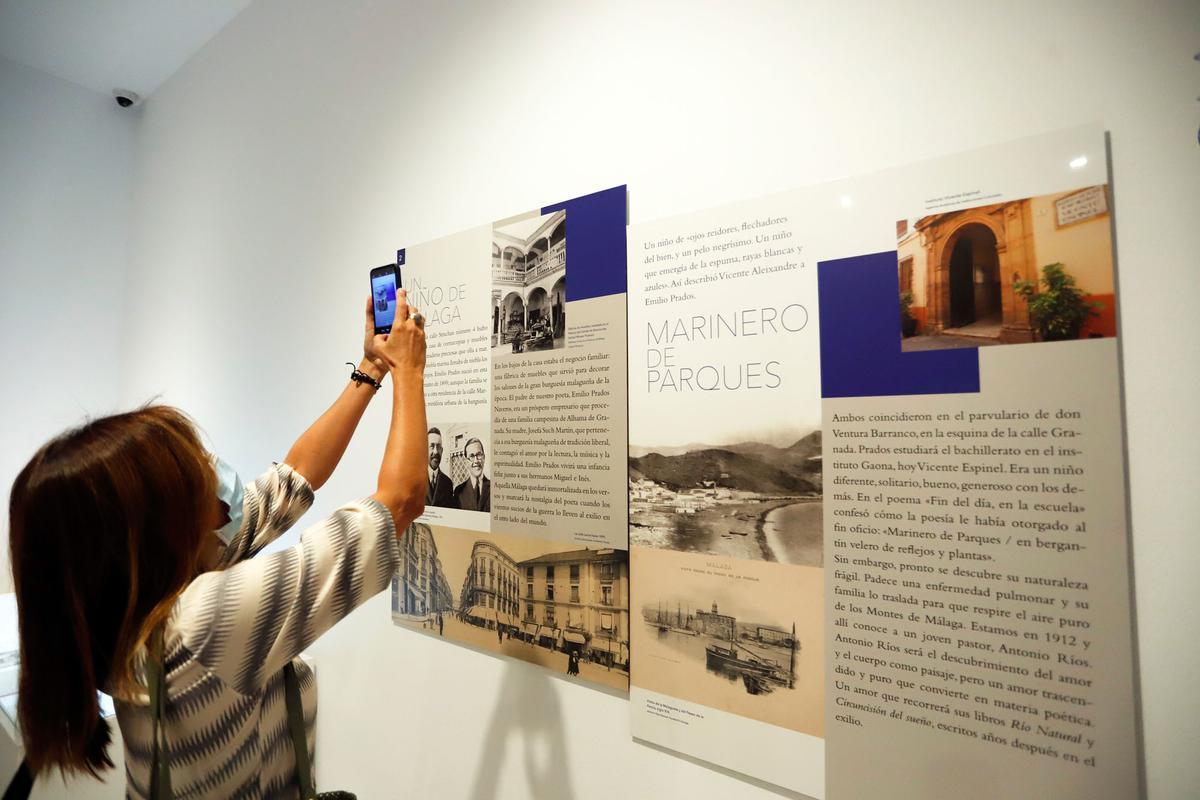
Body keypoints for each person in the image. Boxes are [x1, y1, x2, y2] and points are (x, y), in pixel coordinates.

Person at [7, 293, 428, 798]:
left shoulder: (132, 603)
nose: (211, 468)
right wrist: (410, 372)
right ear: (160, 520)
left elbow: (291, 480)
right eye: (194, 467)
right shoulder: (205, 621)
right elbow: (400, 502)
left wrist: (372, 367)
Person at [453, 437, 491, 512]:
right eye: (472, 456)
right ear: (466, 461)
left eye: (479, 455)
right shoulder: (459, 492)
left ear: (484, 457)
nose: (476, 460)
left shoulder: (494, 488)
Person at [425, 427, 456, 507]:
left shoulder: (448, 483)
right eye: (432, 446)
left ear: (442, 451)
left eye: (438, 447)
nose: (435, 451)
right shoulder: (414, 480)